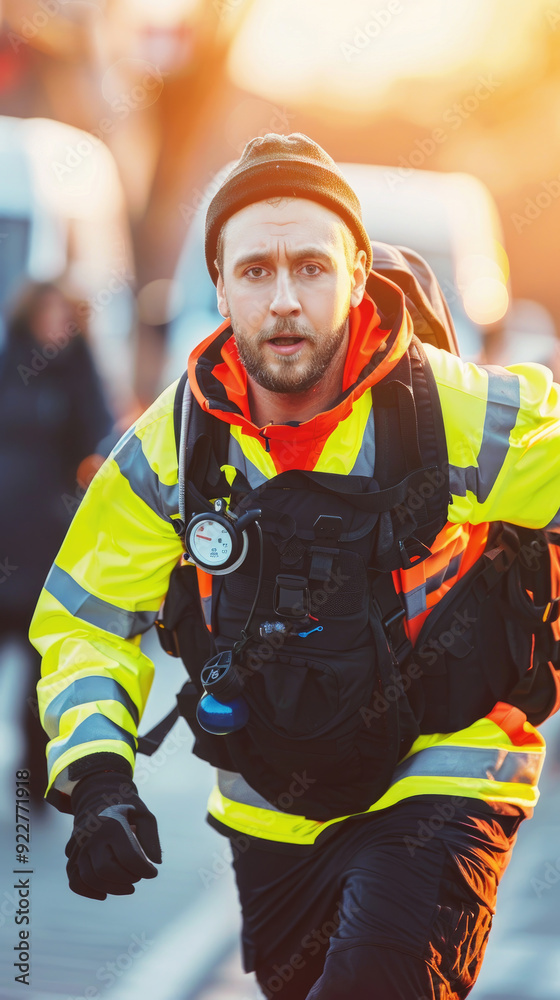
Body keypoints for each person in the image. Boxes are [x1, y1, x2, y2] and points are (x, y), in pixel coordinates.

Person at [29, 134, 560, 999]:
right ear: (220, 285)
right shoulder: (173, 444)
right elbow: (87, 616)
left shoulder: (454, 410)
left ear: (357, 274)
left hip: (444, 772)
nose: (283, 300)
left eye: (312, 268)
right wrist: (96, 774)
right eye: (256, 271)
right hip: (270, 805)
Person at [0, 280, 114, 807]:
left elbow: (98, 437)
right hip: (4, 530)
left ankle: (32, 782)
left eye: (64, 316)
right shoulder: (9, 363)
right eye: (47, 314)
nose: (56, 325)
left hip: (47, 541)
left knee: (40, 671)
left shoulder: (78, 373)